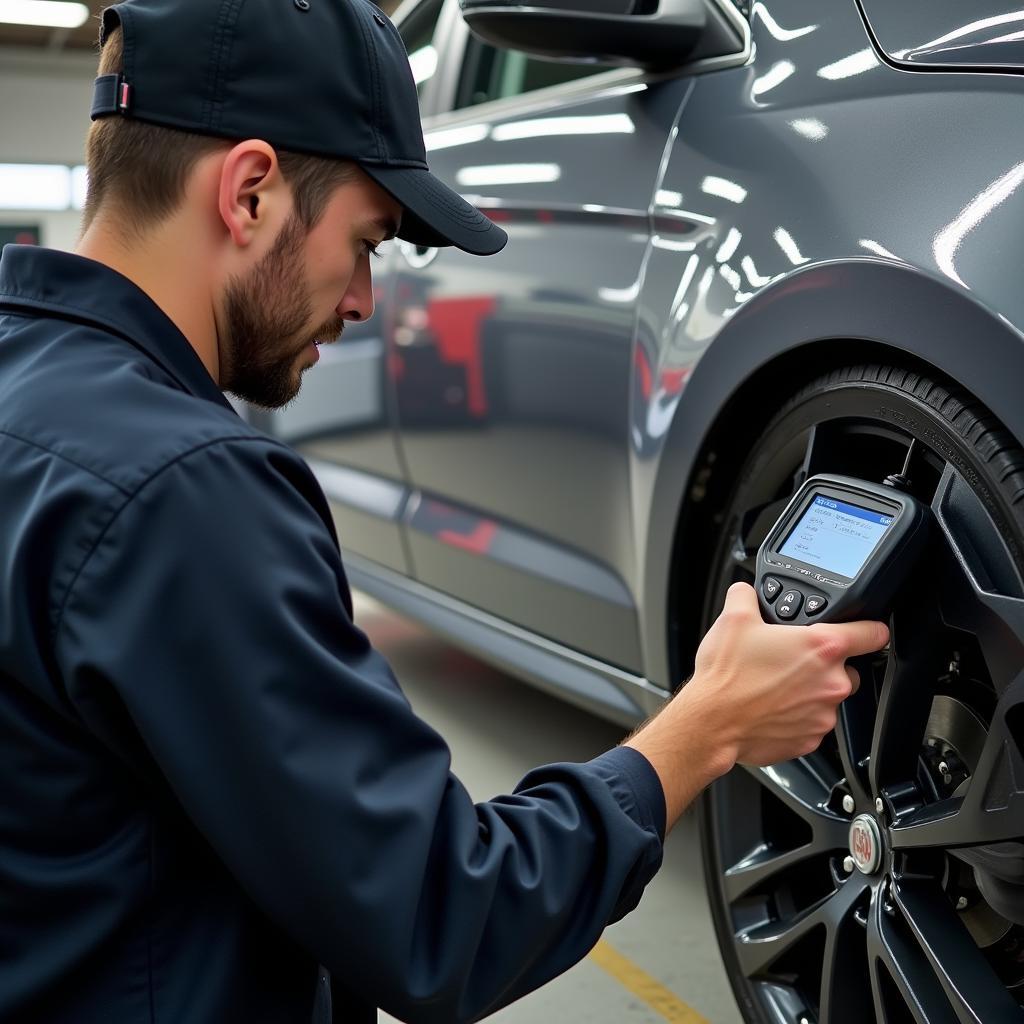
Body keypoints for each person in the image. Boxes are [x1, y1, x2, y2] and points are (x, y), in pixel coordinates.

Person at [0, 1, 889, 1021]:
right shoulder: (182, 491)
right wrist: (704, 726)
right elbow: (441, 914)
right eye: (368, 241)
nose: (367, 303)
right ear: (249, 193)